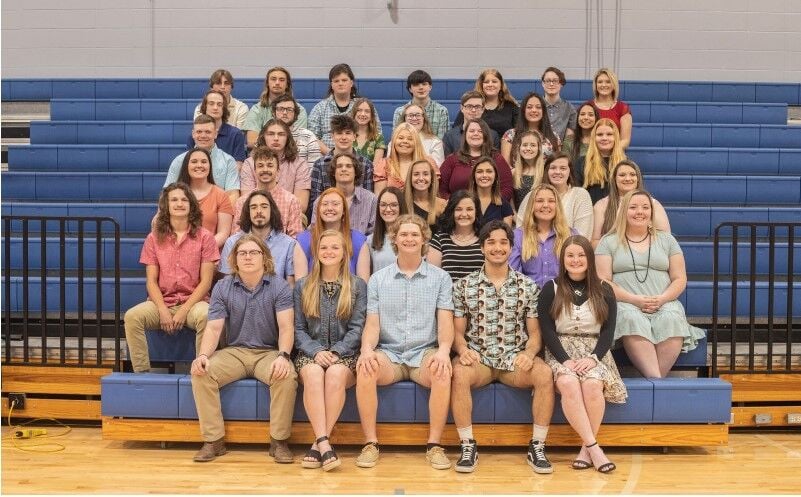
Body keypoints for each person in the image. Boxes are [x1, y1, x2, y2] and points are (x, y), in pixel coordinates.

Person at [451, 220, 555, 474]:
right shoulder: (463, 286)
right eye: (491, 242)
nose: (497, 248)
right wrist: (463, 350)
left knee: (544, 373)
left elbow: (534, 334)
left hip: (513, 360)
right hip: (480, 359)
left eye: (503, 242)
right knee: (459, 373)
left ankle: (538, 446)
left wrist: (530, 354)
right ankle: (467, 445)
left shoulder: (528, 287)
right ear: (482, 247)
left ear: (511, 247)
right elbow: (456, 332)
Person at [355, 214, 454, 470]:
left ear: (423, 240)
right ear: (394, 240)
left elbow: (445, 322)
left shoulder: (440, 278)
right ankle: (370, 443)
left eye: (414, 234)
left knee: (442, 371)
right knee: (365, 368)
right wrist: (367, 350)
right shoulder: (378, 279)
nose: (409, 239)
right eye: (404, 234)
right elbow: (372, 324)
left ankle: (434, 445)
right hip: (390, 354)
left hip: (424, 352)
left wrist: (443, 352)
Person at [190, 234, 297, 464]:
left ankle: (278, 442)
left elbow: (287, 327)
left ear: (264, 257)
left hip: (268, 352)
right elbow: (213, 329)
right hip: (234, 351)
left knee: (286, 375)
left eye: (254, 252)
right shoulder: (223, 286)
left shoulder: (279, 286)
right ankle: (214, 441)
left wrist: (283, 356)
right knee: (201, 371)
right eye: (242, 253)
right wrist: (202, 355)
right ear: (234, 260)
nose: (248, 257)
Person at [538, 235, 626, 473]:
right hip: (561, 351)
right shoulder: (551, 288)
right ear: (562, 259)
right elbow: (547, 331)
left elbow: (608, 331)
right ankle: (595, 449)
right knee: (567, 382)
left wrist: (593, 358)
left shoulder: (605, 289)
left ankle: (585, 449)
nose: (575, 260)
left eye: (581, 255)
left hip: (594, 352)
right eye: (570, 255)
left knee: (592, 385)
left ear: (589, 258)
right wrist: (565, 359)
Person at [595, 190, 705, 378]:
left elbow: (680, 278)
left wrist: (662, 299)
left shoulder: (667, 240)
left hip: (664, 302)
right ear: (624, 212)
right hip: (626, 303)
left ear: (652, 212)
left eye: (645, 207)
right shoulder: (608, 241)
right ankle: (657, 384)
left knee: (672, 317)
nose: (640, 211)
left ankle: (654, 384)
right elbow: (603, 280)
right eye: (633, 207)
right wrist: (634, 299)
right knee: (630, 318)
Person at [124, 183, 219, 373]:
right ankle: (142, 374)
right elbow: (151, 281)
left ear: (191, 205)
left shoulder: (205, 237)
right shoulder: (153, 238)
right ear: (166, 206)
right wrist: (163, 310)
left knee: (207, 315)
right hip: (161, 302)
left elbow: (206, 282)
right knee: (132, 316)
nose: (179, 203)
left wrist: (184, 310)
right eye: (174, 200)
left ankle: (201, 371)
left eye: (184, 199)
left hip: (194, 302)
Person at [294, 229, 367, 471]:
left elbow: (357, 328)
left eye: (335, 247)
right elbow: (298, 329)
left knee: (335, 374)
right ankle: (325, 443)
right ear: (316, 252)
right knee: (314, 373)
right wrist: (315, 351)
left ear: (345, 253)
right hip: (309, 353)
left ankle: (318, 443)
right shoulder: (303, 286)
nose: (329, 252)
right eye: (324, 247)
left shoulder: (357, 286)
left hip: (344, 354)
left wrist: (336, 352)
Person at [221, 189, 297, 285]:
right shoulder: (232, 243)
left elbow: (290, 286)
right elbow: (227, 284)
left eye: (264, 207)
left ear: (272, 211)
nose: (259, 211)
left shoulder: (288, 244)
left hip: (276, 298)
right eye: (253, 207)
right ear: (248, 212)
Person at [510, 184, 576, 289]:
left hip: (563, 297)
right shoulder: (517, 236)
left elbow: (577, 274)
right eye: (539, 201)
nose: (545, 205)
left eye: (551, 201)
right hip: (529, 299)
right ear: (532, 205)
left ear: (557, 205)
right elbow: (513, 275)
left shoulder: (571, 235)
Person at [592, 159, 670, 247]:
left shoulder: (654, 204)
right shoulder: (601, 205)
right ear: (614, 179)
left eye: (632, 175)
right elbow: (594, 242)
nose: (628, 178)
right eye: (622, 175)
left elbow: (666, 240)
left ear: (638, 179)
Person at [294, 188, 368, 279]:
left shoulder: (358, 240)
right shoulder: (303, 240)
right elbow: (300, 286)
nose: (329, 208)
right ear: (318, 210)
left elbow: (363, 285)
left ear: (344, 210)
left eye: (335, 204)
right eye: (324, 204)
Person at [240, 119, 311, 214]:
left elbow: (301, 206)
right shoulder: (249, 163)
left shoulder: (300, 164)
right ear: (263, 137)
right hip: (256, 215)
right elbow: (246, 201)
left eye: (281, 134)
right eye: (271, 134)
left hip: (291, 214)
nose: (276, 138)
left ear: (287, 138)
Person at [165, 115, 240, 205]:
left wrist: (221, 215)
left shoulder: (228, 161)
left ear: (216, 134)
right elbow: (167, 193)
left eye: (208, 132)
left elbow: (232, 195)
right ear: (193, 134)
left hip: (217, 213)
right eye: (199, 132)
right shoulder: (179, 161)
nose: (203, 136)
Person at [517, 153, 593, 238]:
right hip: (534, 248)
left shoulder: (580, 195)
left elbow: (583, 235)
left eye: (563, 168)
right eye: (553, 168)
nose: (557, 172)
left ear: (570, 172)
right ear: (547, 171)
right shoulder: (532, 195)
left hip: (569, 248)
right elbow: (521, 228)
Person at [231, 147, 302, 238]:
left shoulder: (291, 201)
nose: (265, 169)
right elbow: (236, 237)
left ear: (278, 171)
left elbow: (295, 239)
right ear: (255, 170)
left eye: (270, 165)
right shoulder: (242, 202)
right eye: (260, 166)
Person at [308, 63, 381, 150]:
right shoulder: (319, 108)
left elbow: (377, 135)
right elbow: (313, 138)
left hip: (359, 159)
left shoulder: (364, 106)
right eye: (336, 81)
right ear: (331, 85)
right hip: (327, 159)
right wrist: (332, 155)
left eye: (344, 80)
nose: (340, 83)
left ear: (351, 83)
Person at [309, 115, 374, 212]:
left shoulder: (366, 164)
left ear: (354, 136)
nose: (344, 137)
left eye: (348, 133)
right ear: (332, 136)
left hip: (359, 217)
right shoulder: (320, 165)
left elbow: (369, 200)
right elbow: (315, 200)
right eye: (339, 133)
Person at [439, 119, 514, 202]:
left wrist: (489, 205)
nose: (476, 134)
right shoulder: (452, 159)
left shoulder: (497, 159)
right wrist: (455, 204)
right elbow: (441, 189)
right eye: (471, 131)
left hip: (490, 211)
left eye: (480, 131)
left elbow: (507, 189)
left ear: (486, 135)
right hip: (458, 211)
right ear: (465, 135)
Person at [175, 148, 233, 248]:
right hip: (177, 251)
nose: (199, 165)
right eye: (194, 162)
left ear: (210, 166)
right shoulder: (174, 193)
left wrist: (201, 249)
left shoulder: (221, 195)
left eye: (204, 162)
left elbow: (223, 233)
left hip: (209, 254)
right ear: (186, 166)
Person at [310, 152, 377, 235]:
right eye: (339, 166)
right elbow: (314, 232)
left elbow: (373, 236)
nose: (344, 169)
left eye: (348, 166)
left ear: (356, 172)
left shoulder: (371, 200)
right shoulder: (320, 201)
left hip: (361, 247)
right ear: (333, 173)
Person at [243, 66, 308, 149]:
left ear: (287, 84)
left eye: (281, 80)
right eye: (273, 79)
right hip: (264, 155)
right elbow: (251, 141)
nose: (277, 83)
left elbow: (298, 140)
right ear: (267, 83)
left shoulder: (299, 110)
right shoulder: (257, 109)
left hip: (292, 154)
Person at [427, 190, 485, 281]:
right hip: (448, 294)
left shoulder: (485, 238)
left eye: (469, 209)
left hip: (480, 294)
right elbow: (432, 278)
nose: (464, 214)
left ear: (476, 212)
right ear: (451, 212)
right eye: (458, 209)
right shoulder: (440, 238)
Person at [356, 187, 407, 281]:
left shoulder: (413, 238)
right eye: (383, 205)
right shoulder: (369, 241)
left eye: (394, 205)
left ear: (401, 206)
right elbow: (364, 281)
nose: (388, 209)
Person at [452, 69, 519, 139]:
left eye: (494, 81)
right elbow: (456, 132)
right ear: (481, 85)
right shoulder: (470, 106)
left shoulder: (512, 107)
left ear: (501, 85)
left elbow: (518, 133)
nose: (490, 84)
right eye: (486, 82)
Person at [188, 89, 247, 165]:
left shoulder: (236, 134)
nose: (215, 108)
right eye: (211, 104)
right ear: (205, 107)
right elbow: (189, 164)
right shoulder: (195, 135)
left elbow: (238, 165)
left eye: (219, 104)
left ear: (224, 108)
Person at [372, 123, 435, 192]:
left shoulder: (429, 163)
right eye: (401, 138)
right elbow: (380, 197)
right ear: (394, 141)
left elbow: (434, 194)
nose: (405, 141)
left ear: (416, 143)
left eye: (410, 139)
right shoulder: (383, 164)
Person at [500, 93, 559, 164]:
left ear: (543, 111)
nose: (534, 110)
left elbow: (557, 164)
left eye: (538, 107)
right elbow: (506, 168)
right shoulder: (510, 135)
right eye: (529, 107)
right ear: (523, 111)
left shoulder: (554, 136)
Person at [271, 94, 323, 176]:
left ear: (295, 114)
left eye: (289, 109)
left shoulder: (308, 136)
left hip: (303, 184)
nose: (284, 113)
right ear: (274, 113)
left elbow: (314, 169)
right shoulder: (265, 135)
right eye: (281, 109)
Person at [392, 69, 450, 139]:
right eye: (416, 85)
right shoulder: (400, 111)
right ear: (410, 89)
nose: (421, 87)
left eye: (424, 84)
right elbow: (396, 139)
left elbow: (442, 141)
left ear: (430, 87)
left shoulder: (442, 111)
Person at [582, 119, 626, 205]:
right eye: (599, 134)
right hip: (590, 214)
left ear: (615, 138)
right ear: (594, 138)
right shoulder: (581, 163)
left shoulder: (625, 163)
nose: (604, 138)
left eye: (609, 134)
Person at [443, 91, 500, 156]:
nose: (473, 110)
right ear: (462, 108)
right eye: (469, 106)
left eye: (477, 107)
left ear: (483, 109)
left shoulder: (493, 135)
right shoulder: (450, 136)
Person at [586, 68, 632, 149]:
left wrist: (609, 152)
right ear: (596, 85)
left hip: (615, 154)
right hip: (591, 154)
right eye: (600, 82)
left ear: (614, 85)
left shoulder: (623, 108)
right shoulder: (587, 106)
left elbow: (625, 140)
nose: (603, 85)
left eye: (608, 82)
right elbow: (583, 136)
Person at [467, 156, 513, 227]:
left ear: (496, 177)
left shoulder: (505, 206)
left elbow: (507, 236)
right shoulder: (464, 203)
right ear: (473, 176)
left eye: (489, 171)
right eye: (479, 171)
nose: (484, 175)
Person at [404, 159, 446, 232]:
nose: (421, 178)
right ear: (410, 178)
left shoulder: (442, 204)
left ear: (431, 178)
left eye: (425, 174)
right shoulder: (401, 202)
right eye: (416, 174)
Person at [509, 130, 546, 210]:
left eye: (533, 145)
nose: (528, 148)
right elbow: (511, 207)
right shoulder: (513, 173)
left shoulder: (545, 172)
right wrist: (519, 221)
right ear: (519, 148)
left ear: (539, 148)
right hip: (518, 220)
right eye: (525, 145)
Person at [540, 66, 577, 142]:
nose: (551, 84)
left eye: (555, 81)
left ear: (561, 84)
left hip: (559, 151)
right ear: (543, 84)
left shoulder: (569, 108)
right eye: (547, 81)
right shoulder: (535, 106)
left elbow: (569, 140)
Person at [562, 104, 599, 172]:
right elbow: (564, 164)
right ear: (577, 117)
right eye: (582, 114)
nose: (586, 117)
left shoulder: (600, 140)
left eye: (590, 115)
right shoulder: (569, 140)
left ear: (596, 118)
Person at [351, 97, 386, 162]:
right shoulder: (347, 135)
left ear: (371, 116)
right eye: (359, 110)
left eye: (367, 111)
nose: (363, 114)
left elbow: (376, 166)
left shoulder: (378, 138)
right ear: (354, 113)